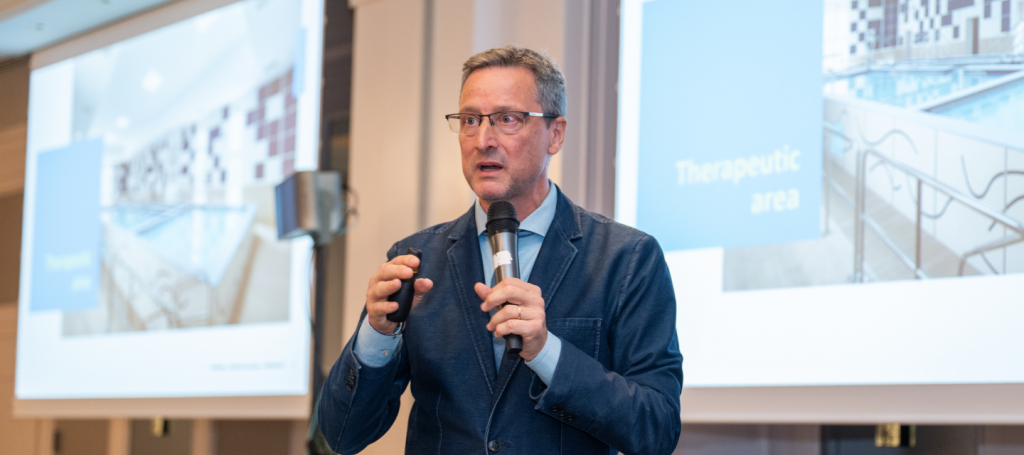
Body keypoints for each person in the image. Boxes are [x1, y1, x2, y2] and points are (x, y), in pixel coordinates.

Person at [319, 46, 682, 455]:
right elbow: (342, 435)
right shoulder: (415, 259)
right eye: (470, 120)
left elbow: (657, 429)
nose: (483, 141)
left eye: (507, 119)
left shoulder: (627, 258)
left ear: (555, 134)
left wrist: (547, 352)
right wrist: (376, 334)